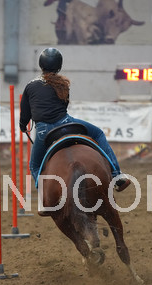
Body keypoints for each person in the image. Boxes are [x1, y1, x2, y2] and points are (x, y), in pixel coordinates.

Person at [19, 47, 130, 192]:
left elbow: (25, 114)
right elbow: (64, 105)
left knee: (35, 165)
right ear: (59, 65)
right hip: (66, 124)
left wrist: (22, 125)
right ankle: (117, 175)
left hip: (43, 131)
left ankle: (44, 194)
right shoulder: (63, 84)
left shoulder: (30, 86)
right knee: (98, 133)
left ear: (41, 65)